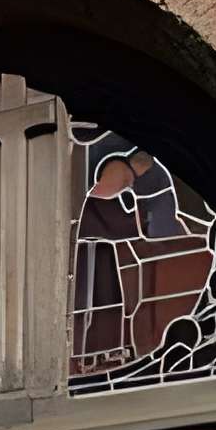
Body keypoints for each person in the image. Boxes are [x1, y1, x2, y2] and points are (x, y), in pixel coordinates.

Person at [74, 155, 139, 361]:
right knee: (90, 302)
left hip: (97, 253)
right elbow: (120, 226)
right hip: (89, 253)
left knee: (101, 300)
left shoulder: (97, 198)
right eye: (126, 183)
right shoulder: (93, 200)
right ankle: (90, 354)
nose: (127, 188)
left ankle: (98, 352)